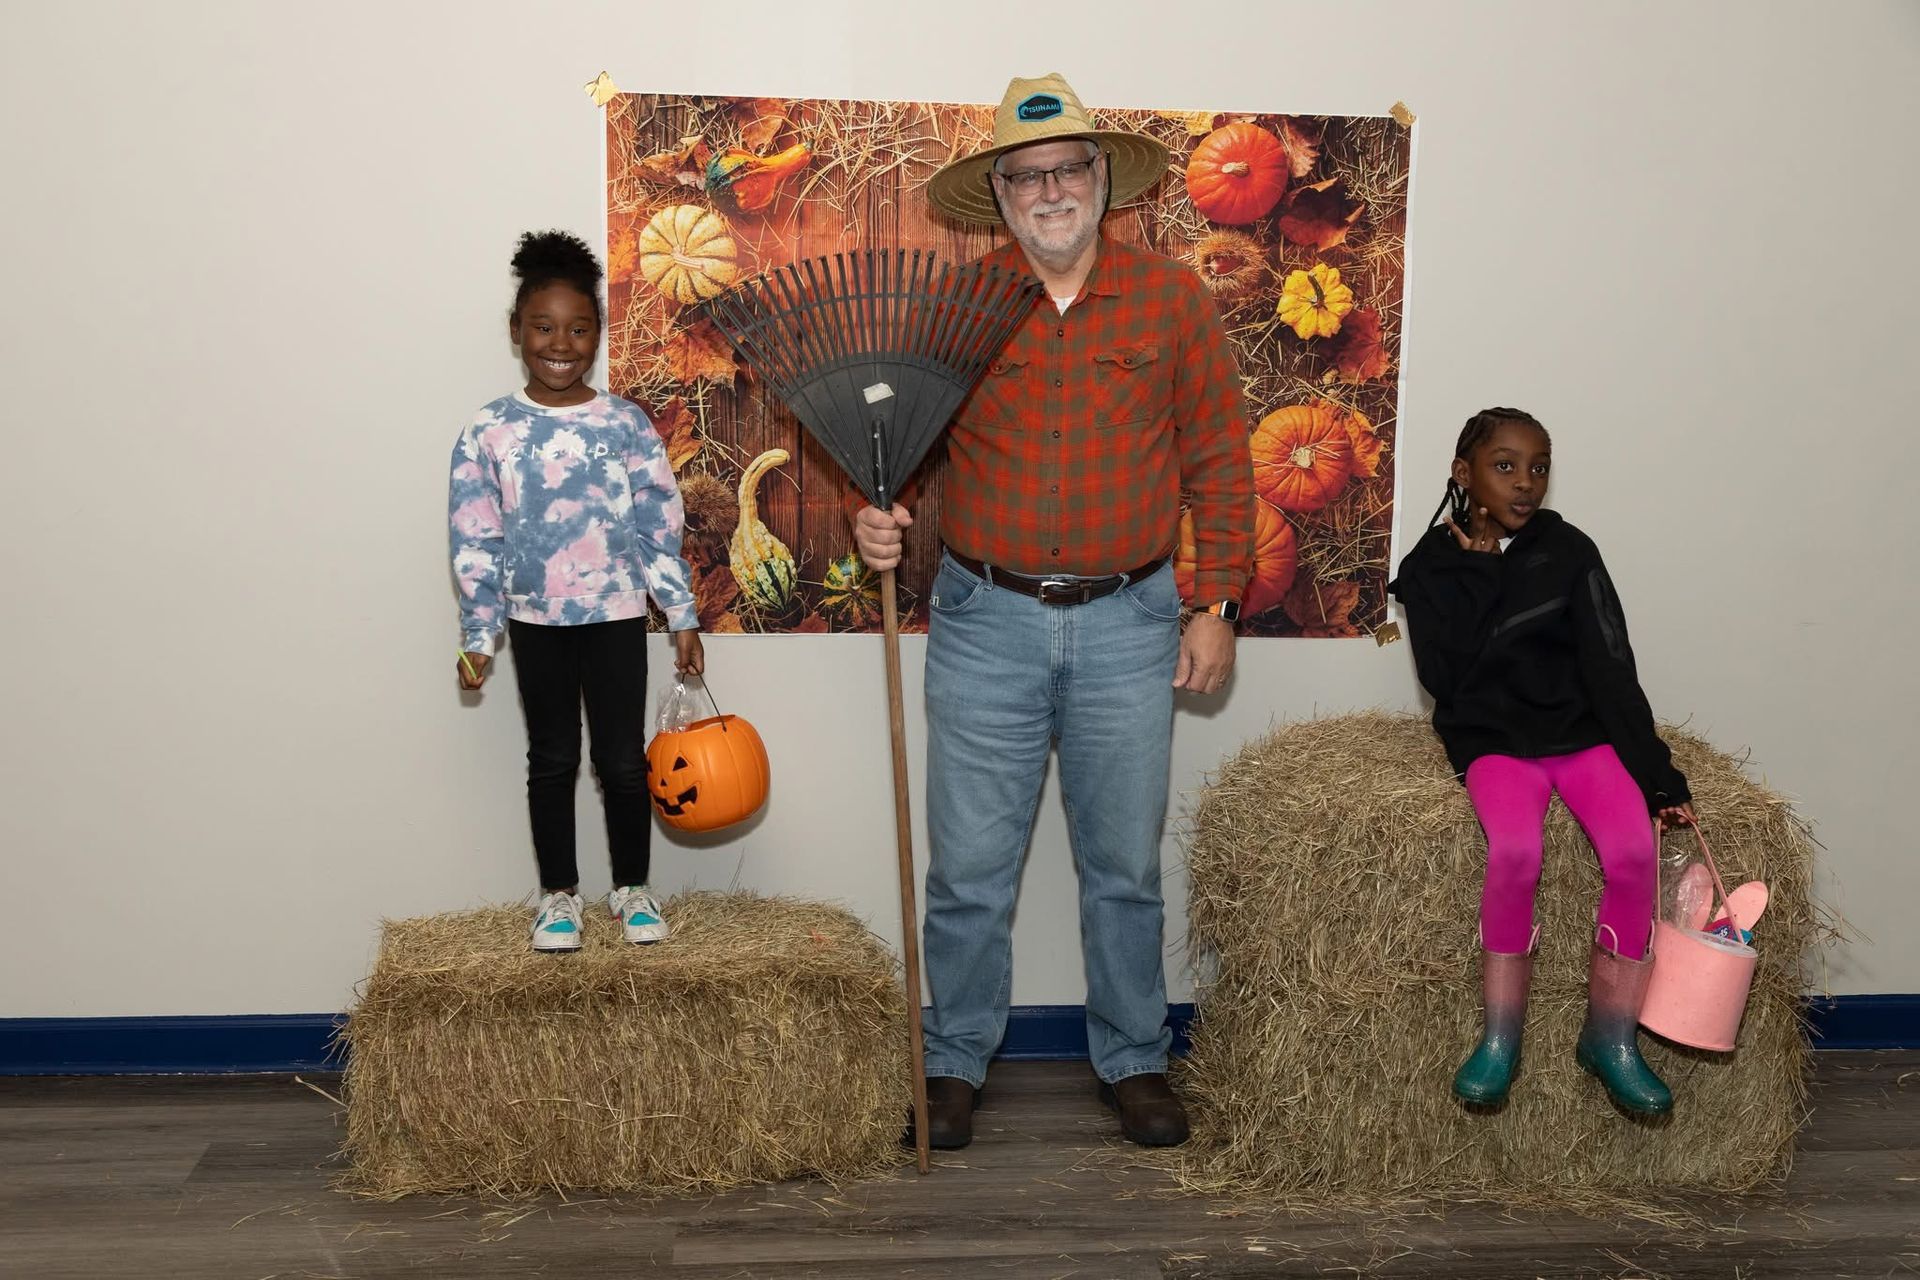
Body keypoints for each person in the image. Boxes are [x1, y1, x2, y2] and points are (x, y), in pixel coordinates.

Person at [852, 74, 1255, 1148]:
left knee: (1123, 866)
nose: (1049, 191)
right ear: (999, 192)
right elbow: (899, 451)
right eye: (1025, 176)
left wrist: (1216, 601)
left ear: (1101, 178)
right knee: (969, 869)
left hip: (1132, 621)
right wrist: (875, 518)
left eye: (1067, 168)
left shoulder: (1172, 300)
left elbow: (1220, 459)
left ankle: (1135, 1056)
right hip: (986, 620)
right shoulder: (962, 306)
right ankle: (952, 1060)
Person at [1390, 407, 1695, 1115]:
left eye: (1539, 467)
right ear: (1463, 473)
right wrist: (1479, 570)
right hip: (1493, 742)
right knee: (1517, 852)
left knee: (1633, 853)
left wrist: (1657, 776)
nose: (1525, 482)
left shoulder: (1569, 550)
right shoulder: (1429, 567)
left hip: (1580, 737)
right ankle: (1501, 1040)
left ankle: (1611, 1038)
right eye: (1505, 466)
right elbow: (1446, 679)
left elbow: (1612, 665)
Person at [449, 230, 705, 952]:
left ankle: (633, 889)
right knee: (552, 760)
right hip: (535, 623)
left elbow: (659, 524)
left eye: (578, 329)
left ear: (597, 334)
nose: (560, 344)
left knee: (623, 762)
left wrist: (680, 612)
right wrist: (479, 634)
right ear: (516, 331)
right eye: (543, 327)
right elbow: (475, 536)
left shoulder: (624, 424)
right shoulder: (489, 431)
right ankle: (558, 896)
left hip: (616, 618)